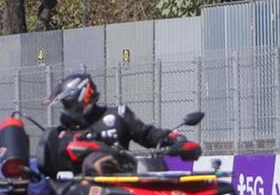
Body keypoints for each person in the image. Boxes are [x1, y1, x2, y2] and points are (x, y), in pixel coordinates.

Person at [38, 72, 183, 177]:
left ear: (84, 97)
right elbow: (58, 155)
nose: (66, 109)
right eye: (65, 104)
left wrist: (173, 139)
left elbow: (147, 135)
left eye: (68, 103)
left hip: (125, 188)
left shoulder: (119, 115)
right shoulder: (66, 131)